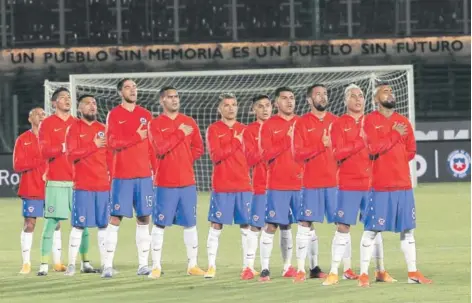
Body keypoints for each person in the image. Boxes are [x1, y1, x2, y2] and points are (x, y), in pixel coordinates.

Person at [358, 82, 432, 287]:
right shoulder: (370, 121)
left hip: (403, 185)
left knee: (408, 230)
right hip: (380, 185)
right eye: (385, 91)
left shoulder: (403, 121)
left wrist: (395, 159)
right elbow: (373, 148)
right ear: (375, 99)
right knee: (372, 229)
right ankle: (364, 274)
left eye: (391, 91)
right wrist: (394, 136)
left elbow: (410, 151)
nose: (390, 93)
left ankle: (413, 272)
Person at [323, 84, 394, 286]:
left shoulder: (375, 121)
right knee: (343, 226)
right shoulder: (338, 124)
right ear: (346, 101)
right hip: (348, 183)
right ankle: (334, 271)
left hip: (373, 183)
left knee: (375, 227)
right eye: (353, 96)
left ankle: (380, 270)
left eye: (361, 96)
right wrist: (361, 142)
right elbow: (337, 153)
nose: (358, 99)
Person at [147, 86, 205, 279]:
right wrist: (179, 133)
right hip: (164, 183)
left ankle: (193, 265)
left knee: (190, 224)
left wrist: (186, 160)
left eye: (176, 96)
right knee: (159, 224)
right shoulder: (155, 124)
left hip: (187, 183)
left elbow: (198, 148)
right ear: (162, 100)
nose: (174, 100)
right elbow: (161, 148)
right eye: (170, 97)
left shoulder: (189, 121)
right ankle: (155, 266)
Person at [37, 88, 95, 276]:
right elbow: (44, 151)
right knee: (51, 222)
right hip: (56, 181)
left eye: (69, 98)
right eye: (62, 98)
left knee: (82, 223)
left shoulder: (78, 123)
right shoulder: (47, 124)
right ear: (54, 103)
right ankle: (44, 265)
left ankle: (85, 262)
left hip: (79, 181)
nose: (67, 100)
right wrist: (63, 147)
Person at [102, 78, 154, 278]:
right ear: (120, 92)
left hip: (143, 175)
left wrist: (154, 170)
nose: (133, 90)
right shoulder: (114, 115)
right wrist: (136, 137)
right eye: (128, 87)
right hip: (122, 175)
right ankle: (107, 265)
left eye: (135, 87)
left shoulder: (146, 115)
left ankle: (143, 265)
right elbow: (112, 142)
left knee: (144, 218)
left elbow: (151, 145)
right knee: (115, 218)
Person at [204, 93, 252, 279]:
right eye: (226, 105)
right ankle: (211, 266)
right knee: (216, 225)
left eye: (234, 104)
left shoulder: (245, 130)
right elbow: (216, 156)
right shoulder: (214, 129)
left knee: (246, 226)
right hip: (222, 185)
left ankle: (247, 267)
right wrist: (235, 142)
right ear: (220, 109)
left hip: (243, 184)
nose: (231, 108)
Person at [292, 84, 336, 282]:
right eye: (318, 94)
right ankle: (302, 268)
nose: (322, 97)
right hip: (311, 182)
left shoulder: (336, 122)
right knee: (305, 223)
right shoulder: (301, 123)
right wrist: (321, 145)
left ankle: (344, 268)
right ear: (309, 100)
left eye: (325, 93)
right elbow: (298, 154)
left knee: (343, 224)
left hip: (335, 182)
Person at [64, 95, 112, 276]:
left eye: (94, 103)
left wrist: (112, 179)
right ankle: (71, 265)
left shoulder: (103, 129)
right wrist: (93, 145)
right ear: (80, 109)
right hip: (83, 185)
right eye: (87, 103)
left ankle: (106, 266)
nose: (92, 106)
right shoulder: (74, 129)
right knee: (78, 226)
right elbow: (71, 155)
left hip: (102, 185)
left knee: (104, 226)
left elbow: (109, 157)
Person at [258, 87, 301, 282]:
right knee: (272, 225)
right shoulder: (268, 125)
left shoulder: (301, 122)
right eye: (284, 98)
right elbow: (265, 154)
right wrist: (287, 140)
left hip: (301, 184)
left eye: (291, 98)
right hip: (277, 184)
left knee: (295, 226)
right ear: (276, 103)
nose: (289, 101)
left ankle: (289, 267)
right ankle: (265, 268)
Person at [241, 94, 272, 280]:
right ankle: (249, 266)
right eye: (260, 106)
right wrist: (266, 148)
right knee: (256, 226)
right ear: (254, 110)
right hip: (260, 186)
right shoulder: (249, 131)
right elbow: (250, 159)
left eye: (268, 105)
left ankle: (287, 267)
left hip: (283, 185)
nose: (265, 109)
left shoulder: (279, 126)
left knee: (283, 226)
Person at [13, 107, 47, 274]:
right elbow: (18, 165)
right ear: (29, 118)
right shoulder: (22, 139)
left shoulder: (51, 138)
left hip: (51, 187)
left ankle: (55, 262)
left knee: (54, 224)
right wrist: (38, 159)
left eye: (43, 114)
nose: (41, 116)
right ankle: (26, 263)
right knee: (29, 224)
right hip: (31, 187)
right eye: (37, 114)